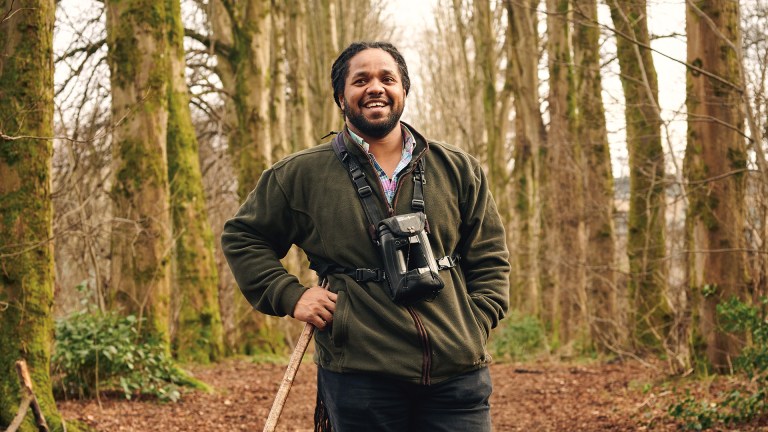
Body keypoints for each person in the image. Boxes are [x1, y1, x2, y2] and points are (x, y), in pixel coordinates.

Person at [221, 41, 510, 432]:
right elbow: (244, 236)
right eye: (361, 80)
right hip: (360, 375)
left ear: (403, 90)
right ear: (341, 96)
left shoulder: (458, 168)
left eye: (387, 78)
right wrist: (292, 295)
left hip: (456, 374)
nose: (375, 87)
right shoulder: (300, 174)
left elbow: (489, 255)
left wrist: (474, 324)